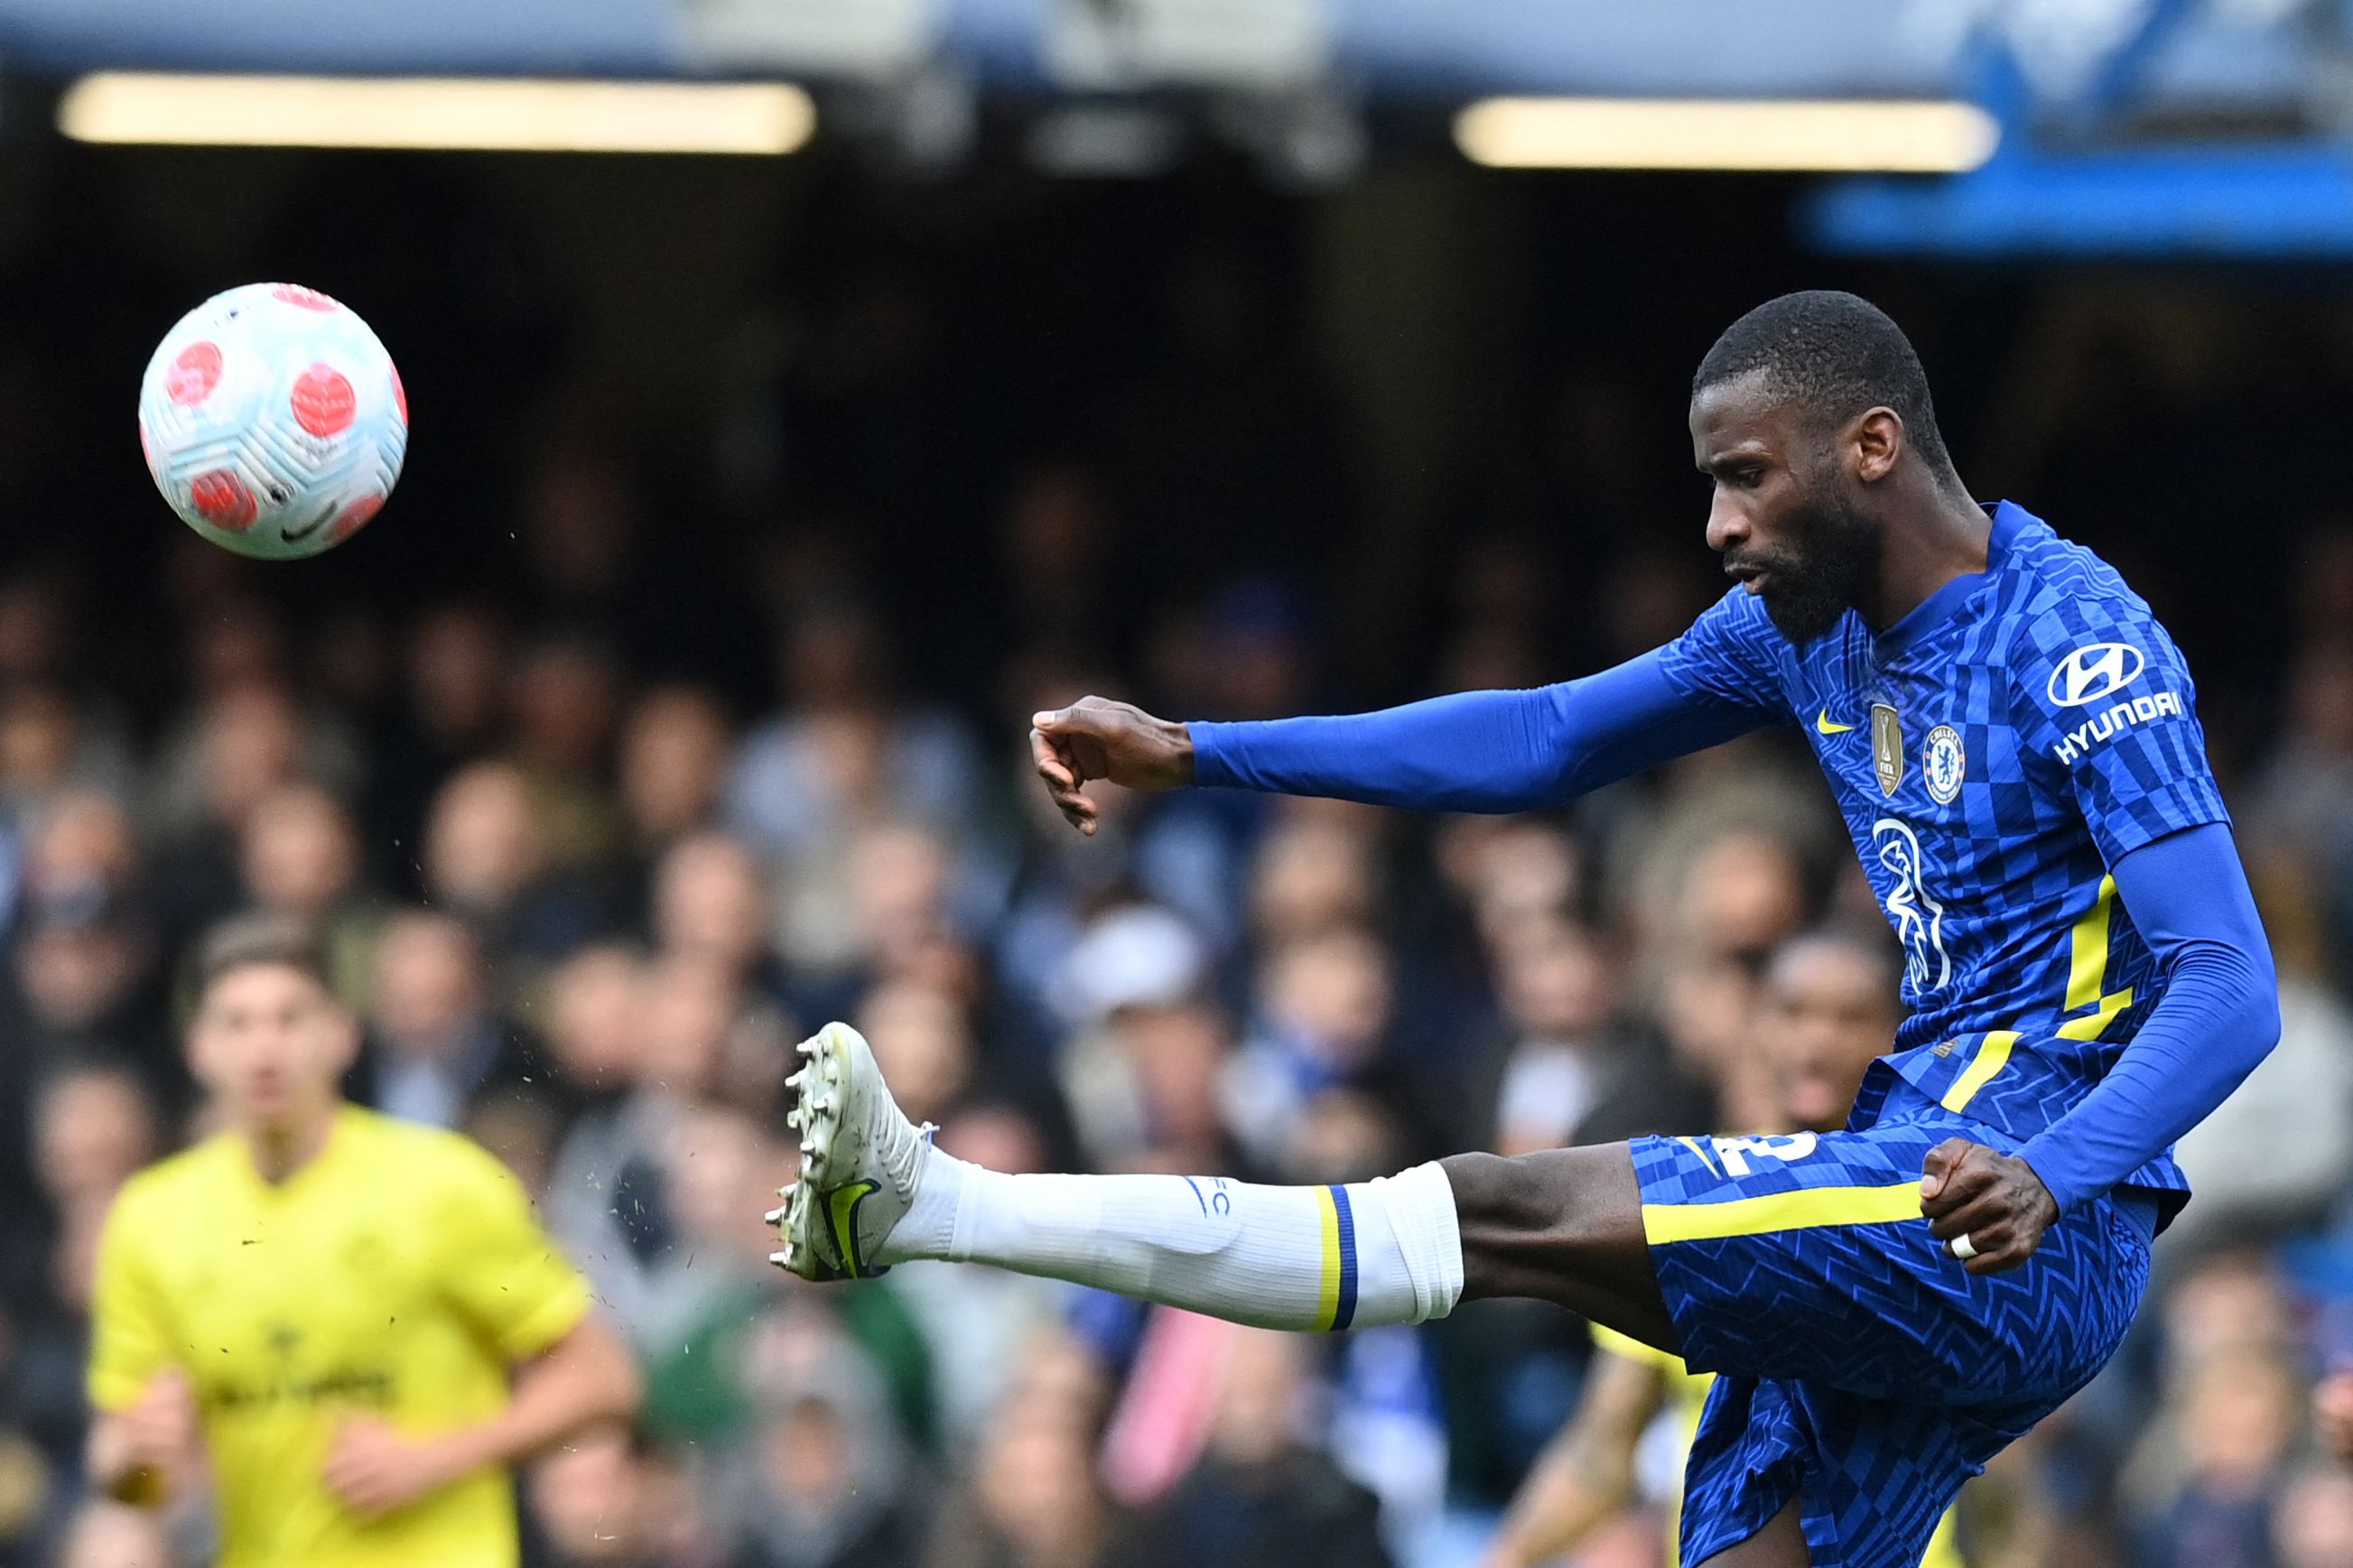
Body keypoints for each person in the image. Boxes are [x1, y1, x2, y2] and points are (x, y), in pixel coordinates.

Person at [768, 291, 2281, 1568]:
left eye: (1747, 478)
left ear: (1870, 445)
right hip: (1931, 1167)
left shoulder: (2072, 637)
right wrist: (1203, 747)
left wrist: (2052, 1168)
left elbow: (2227, 983)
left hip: (2012, 1204)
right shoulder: (1799, 628)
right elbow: (1543, 737)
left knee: (1500, 1210)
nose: (1719, 523)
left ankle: (928, 1208)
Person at [84, 914, 641, 1568]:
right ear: (199, 1048)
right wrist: (135, 1453)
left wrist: (438, 1456)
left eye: (290, 1019)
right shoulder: (152, 1217)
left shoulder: (443, 1185)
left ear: (341, 1036)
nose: (264, 1050)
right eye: (237, 1024)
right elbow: (121, 1457)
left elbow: (604, 1377)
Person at [1477, 930, 1960, 1568]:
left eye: (1851, 1018)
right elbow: (1603, 1445)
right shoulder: (1696, 1197)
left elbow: (2006, 1481)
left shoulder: (1938, 1203)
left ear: (1900, 1035)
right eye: (1794, 1012)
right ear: (1757, 1027)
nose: (1817, 1041)